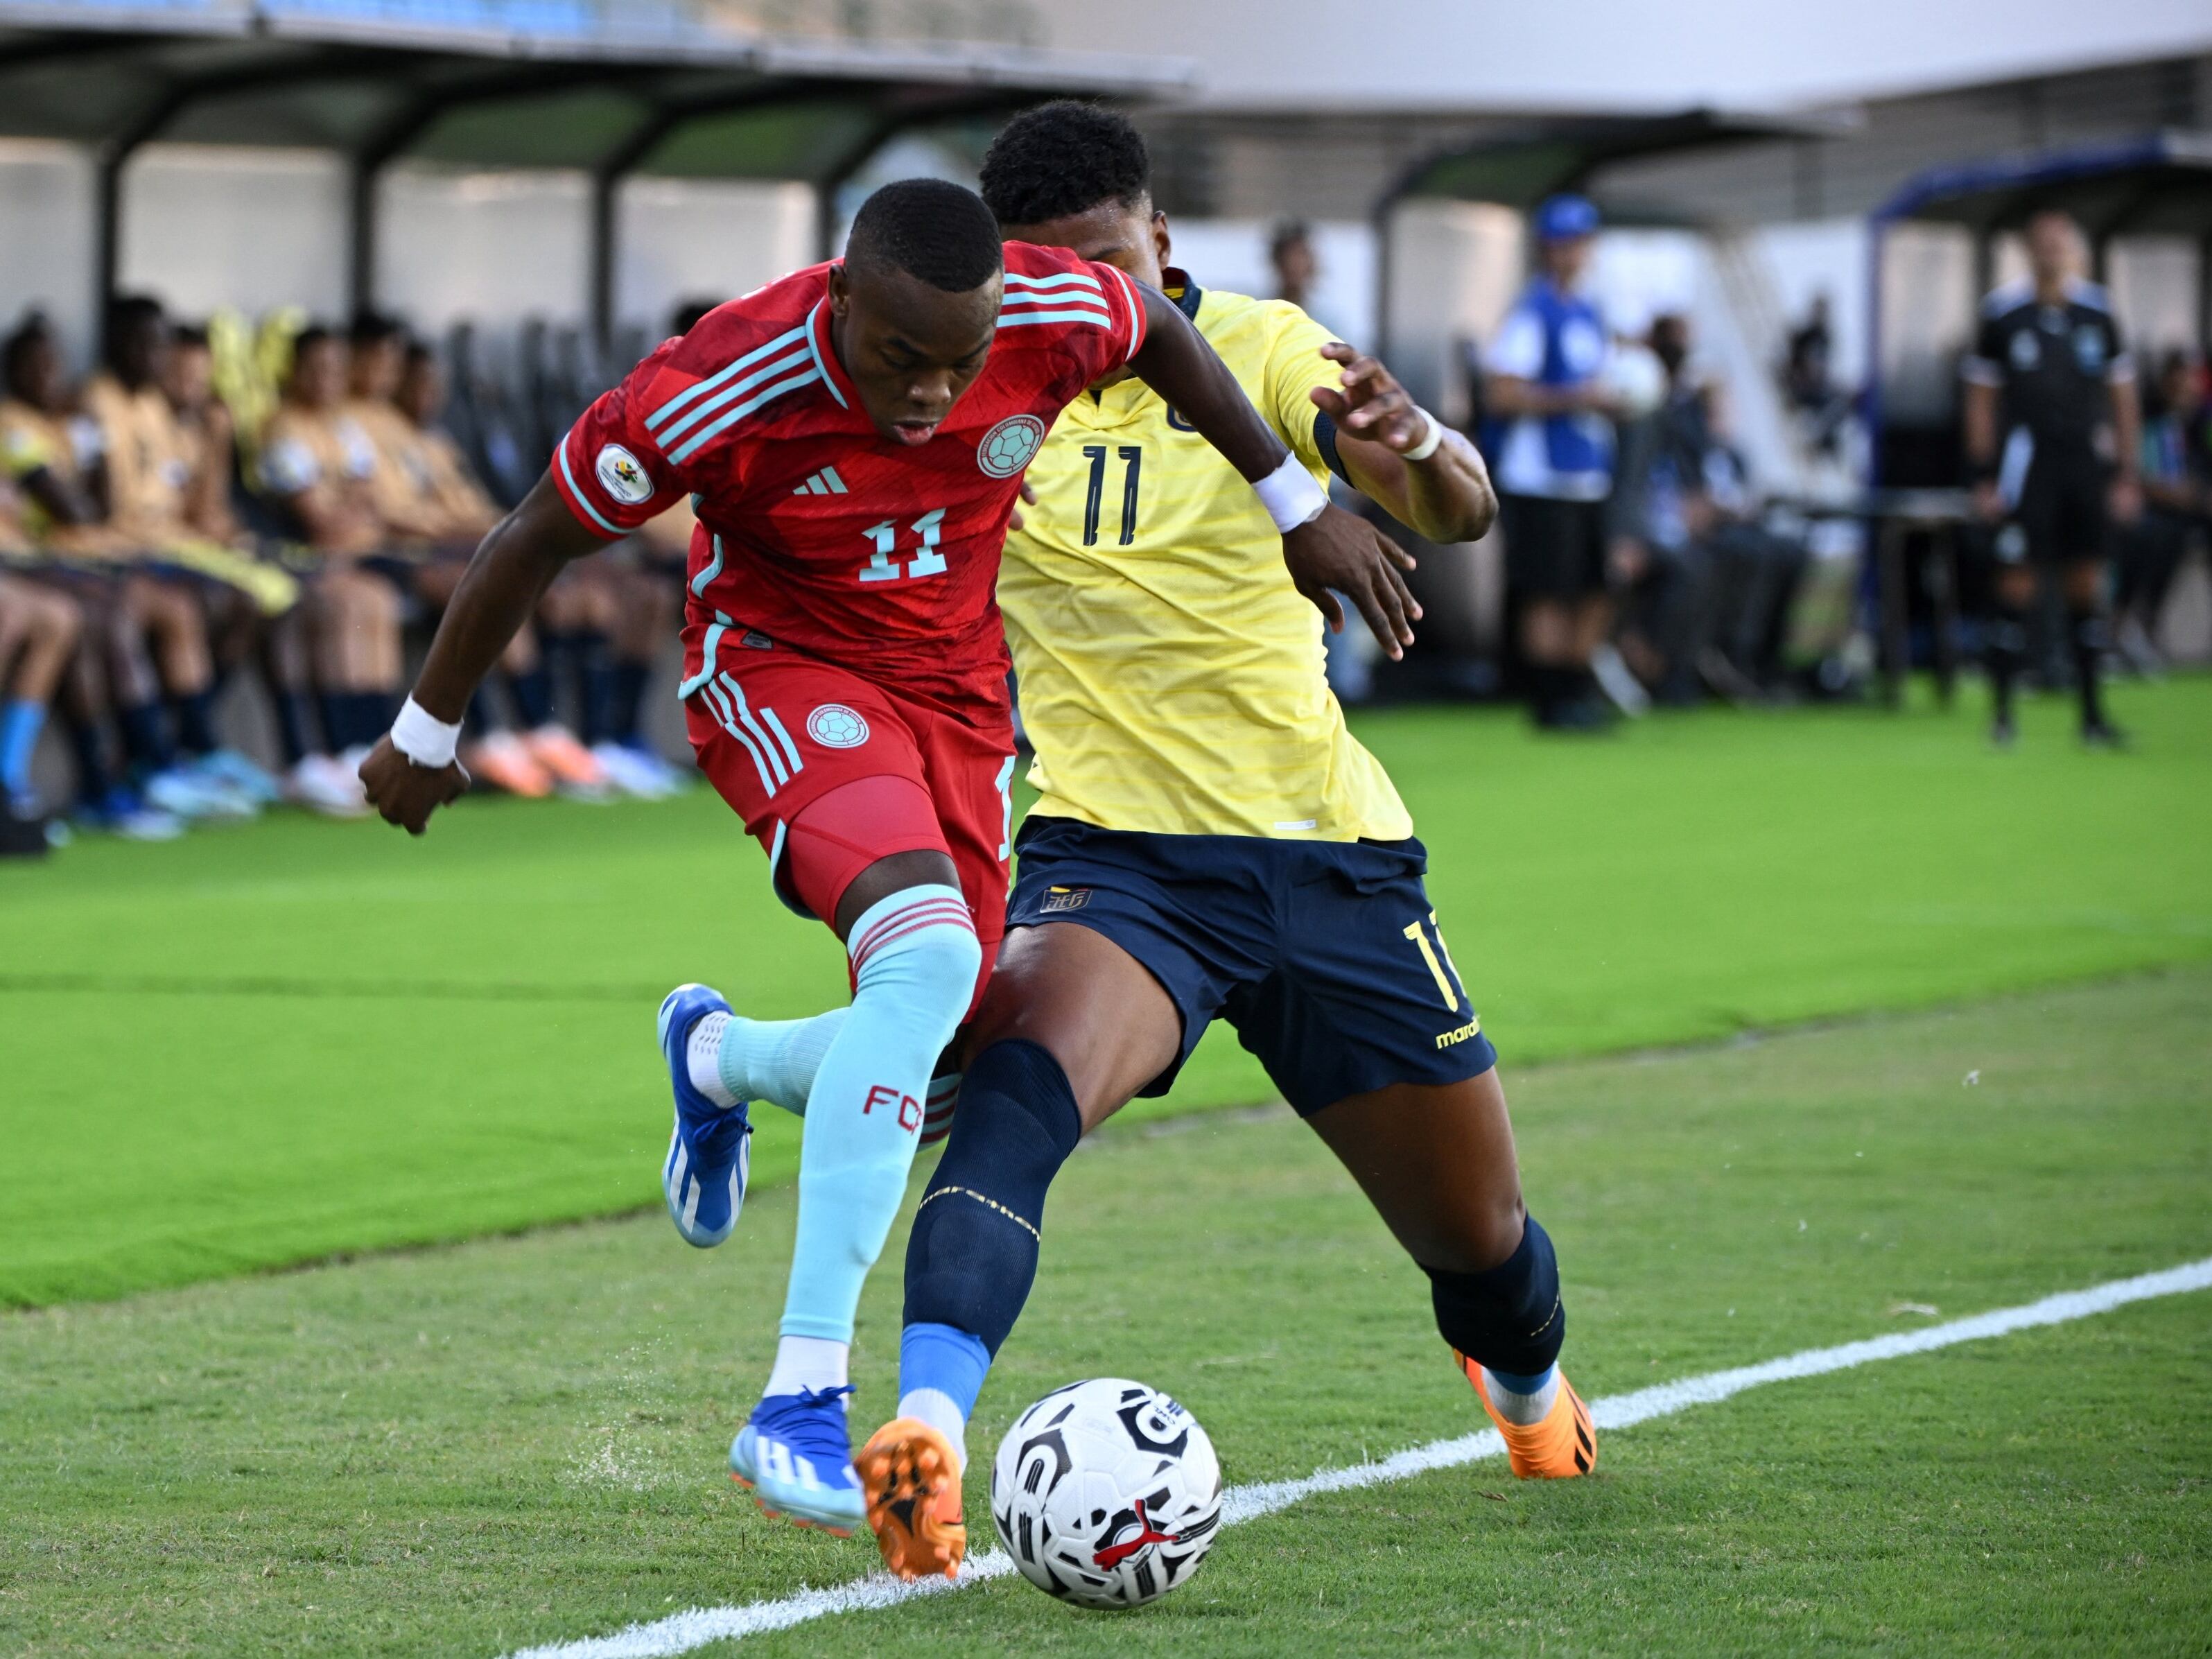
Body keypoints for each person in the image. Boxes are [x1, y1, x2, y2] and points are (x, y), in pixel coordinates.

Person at [356, 177, 1416, 1538]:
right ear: (840, 297)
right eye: (898, 358)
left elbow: (1156, 329)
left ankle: (718, 1059)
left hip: (959, 697)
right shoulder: (712, 384)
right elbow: (530, 540)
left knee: (938, 1043)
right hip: (785, 672)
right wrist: (425, 727)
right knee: (918, 960)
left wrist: (1285, 499)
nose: (928, 395)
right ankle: (801, 1392)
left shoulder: (1050, 305)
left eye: (957, 365)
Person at [690, 103, 1589, 1584]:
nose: (1083, 310)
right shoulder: (965, 395)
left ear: (1157, 243)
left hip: (1329, 858)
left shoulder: (1255, 341)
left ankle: (1526, 1387)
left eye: (1109, 267)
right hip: (1116, 863)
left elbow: (1461, 507)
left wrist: (1407, 446)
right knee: (1008, 1110)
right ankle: (923, 1434)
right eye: (1047, 283)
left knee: (1484, 1249)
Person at [1962, 208, 2140, 748]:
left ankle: (2090, 716)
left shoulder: (2097, 311)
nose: (2050, 251)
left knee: (2086, 582)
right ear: (2028, 249)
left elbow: (2122, 396)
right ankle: (2001, 716)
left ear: (2072, 249)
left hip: (2082, 464)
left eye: (2059, 241)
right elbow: (1980, 400)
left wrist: (2126, 474)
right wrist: (1982, 475)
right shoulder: (2002, 314)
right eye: (2041, 242)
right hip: (2026, 464)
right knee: (2015, 580)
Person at [1484, 195, 1623, 729]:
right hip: (1540, 475)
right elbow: (1503, 393)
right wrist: (1576, 399)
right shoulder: (1532, 312)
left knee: (1595, 586)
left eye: (1582, 241)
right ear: (1548, 248)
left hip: (1588, 473)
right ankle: (1549, 697)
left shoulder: (1590, 311)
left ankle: (1576, 684)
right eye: (1565, 242)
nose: (1575, 253)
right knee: (1547, 589)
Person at [259, 325, 412, 785]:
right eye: (317, 368)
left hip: (356, 554)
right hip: (304, 558)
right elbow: (318, 521)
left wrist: (345, 505)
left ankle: (377, 740)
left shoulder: (344, 425)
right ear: (296, 371)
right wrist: (347, 507)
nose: (328, 378)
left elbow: (370, 500)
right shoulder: (283, 426)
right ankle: (343, 745)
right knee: (350, 604)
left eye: (335, 368)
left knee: (378, 601)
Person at [2116, 349, 2209, 674]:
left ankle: (2143, 621)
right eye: (2185, 378)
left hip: (2188, 511)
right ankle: (2129, 619)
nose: (2192, 386)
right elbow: (2141, 475)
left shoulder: (2199, 422)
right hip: (2151, 510)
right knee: (2152, 533)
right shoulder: (2148, 415)